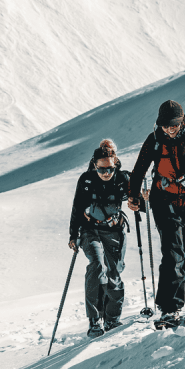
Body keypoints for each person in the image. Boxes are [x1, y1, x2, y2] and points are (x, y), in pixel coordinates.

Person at [127, 100, 185, 328]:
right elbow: (139, 170)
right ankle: (170, 309)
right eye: (165, 125)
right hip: (164, 202)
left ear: (181, 122)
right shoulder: (154, 140)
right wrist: (133, 196)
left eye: (173, 125)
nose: (169, 129)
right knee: (173, 255)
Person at [69, 139, 130, 337]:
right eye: (101, 169)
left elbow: (135, 198)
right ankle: (95, 320)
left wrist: (140, 199)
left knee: (113, 273)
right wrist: (73, 234)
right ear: (94, 165)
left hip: (114, 231)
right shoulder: (86, 180)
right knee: (97, 266)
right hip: (90, 230)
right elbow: (78, 206)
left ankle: (112, 319)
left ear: (115, 164)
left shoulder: (123, 178)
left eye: (110, 169)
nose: (106, 173)